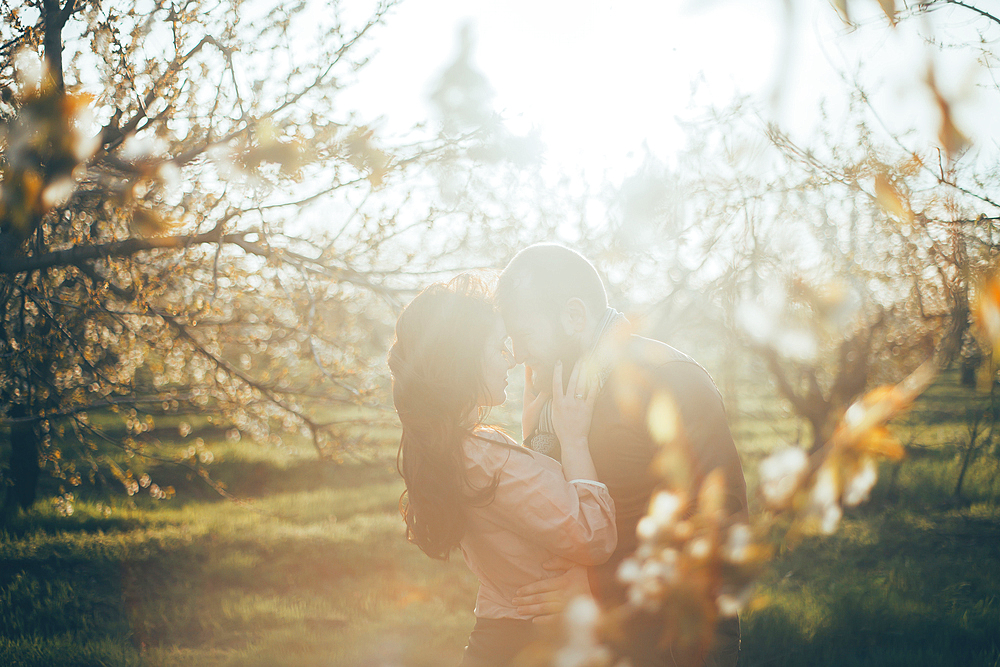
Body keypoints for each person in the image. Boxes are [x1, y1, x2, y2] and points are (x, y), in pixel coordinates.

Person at [495, 244, 748, 667]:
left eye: (523, 335)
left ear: (574, 316)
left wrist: (596, 588)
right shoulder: (553, 384)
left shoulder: (668, 380)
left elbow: (720, 533)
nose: (517, 353)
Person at [388, 274, 618, 667]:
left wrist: (531, 440)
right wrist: (574, 439)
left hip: (499, 639)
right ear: (462, 363)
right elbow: (592, 534)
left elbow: (519, 513)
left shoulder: (451, 448)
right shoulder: (481, 455)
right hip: (525, 643)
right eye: (498, 347)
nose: (511, 357)